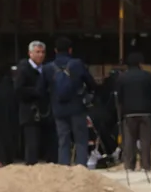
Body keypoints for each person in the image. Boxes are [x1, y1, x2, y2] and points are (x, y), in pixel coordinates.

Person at [50, 37, 97, 167]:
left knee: (63, 140)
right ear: (70, 50)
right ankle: (80, 167)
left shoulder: (49, 67)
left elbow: (41, 89)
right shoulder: (77, 64)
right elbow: (91, 83)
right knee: (81, 140)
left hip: (58, 109)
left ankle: (63, 167)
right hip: (77, 108)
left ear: (55, 50)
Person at [115, 52, 151, 173]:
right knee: (145, 141)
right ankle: (146, 166)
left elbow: (119, 96)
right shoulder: (147, 76)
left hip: (129, 113)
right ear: (140, 63)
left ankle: (129, 166)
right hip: (146, 112)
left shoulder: (122, 77)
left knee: (129, 140)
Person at [15, 41, 49, 166]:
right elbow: (18, 90)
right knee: (32, 145)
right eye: (37, 52)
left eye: (42, 52)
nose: (40, 55)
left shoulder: (46, 70)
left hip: (45, 112)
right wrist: (37, 91)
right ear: (30, 53)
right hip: (29, 113)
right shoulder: (23, 69)